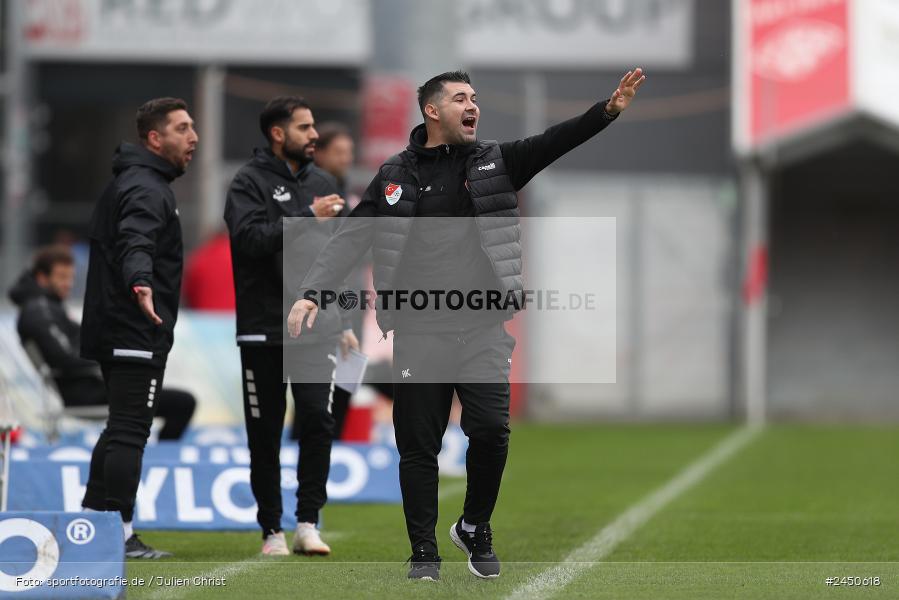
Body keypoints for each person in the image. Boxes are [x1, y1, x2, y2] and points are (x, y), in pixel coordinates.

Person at [287, 68, 645, 580]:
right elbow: (352, 235)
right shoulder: (395, 174)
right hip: (419, 331)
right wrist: (312, 293)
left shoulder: (498, 162)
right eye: (460, 98)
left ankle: (474, 525)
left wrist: (606, 112)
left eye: (474, 97)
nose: (472, 105)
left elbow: (556, 140)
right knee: (418, 446)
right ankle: (423, 552)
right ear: (433, 111)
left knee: (492, 430)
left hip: (482, 328)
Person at [224, 96, 357, 556]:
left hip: (317, 327)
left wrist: (343, 319)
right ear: (278, 134)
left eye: (314, 126)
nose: (314, 134)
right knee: (264, 433)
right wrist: (306, 217)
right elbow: (248, 240)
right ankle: (271, 531)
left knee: (318, 421)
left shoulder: (323, 182)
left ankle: (307, 523)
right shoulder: (247, 182)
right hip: (264, 328)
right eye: (304, 127)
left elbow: (339, 256)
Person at [79, 97, 198, 559]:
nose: (193, 137)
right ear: (154, 138)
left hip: (121, 325)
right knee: (130, 430)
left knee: (119, 428)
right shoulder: (147, 188)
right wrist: (141, 282)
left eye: (192, 127)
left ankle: (92, 523)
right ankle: (119, 532)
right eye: (182, 128)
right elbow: (136, 240)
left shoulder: (139, 181)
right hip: (133, 326)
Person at [8, 245, 196, 439]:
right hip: (88, 394)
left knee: (175, 400)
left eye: (70, 277)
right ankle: (156, 455)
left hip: (97, 386)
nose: (68, 284)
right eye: (62, 277)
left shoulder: (46, 307)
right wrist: (113, 360)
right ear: (42, 278)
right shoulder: (38, 311)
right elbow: (63, 357)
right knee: (182, 403)